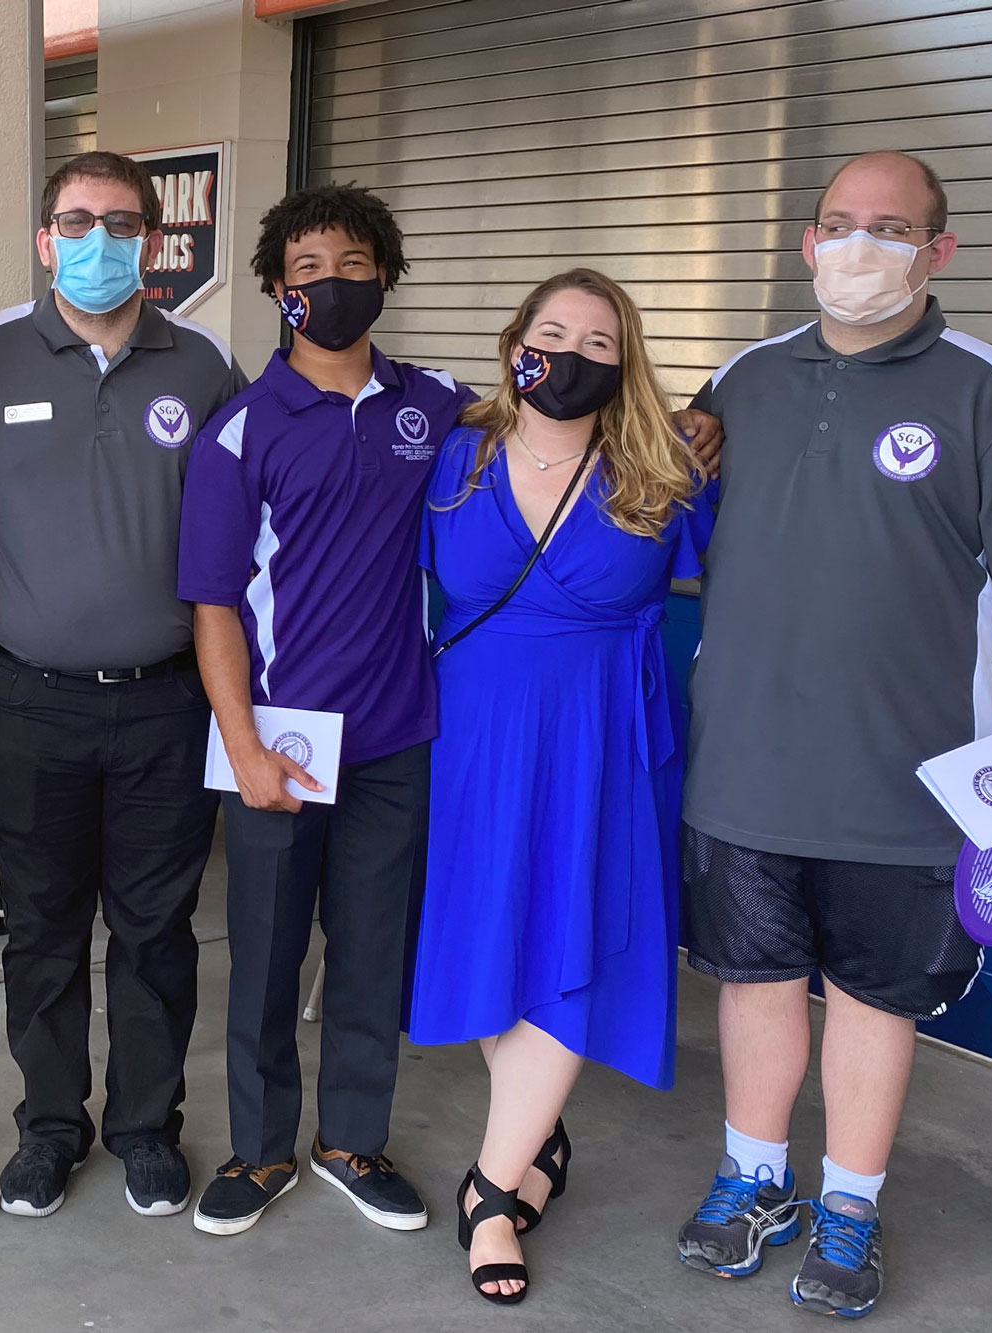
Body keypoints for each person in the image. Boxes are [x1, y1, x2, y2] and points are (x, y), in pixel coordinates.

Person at [674, 151, 992, 1319]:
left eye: (890, 227)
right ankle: (751, 1179)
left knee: (876, 999)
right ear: (805, 240)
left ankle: (850, 1203)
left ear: (939, 251)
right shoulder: (742, 379)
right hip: (745, 767)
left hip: (909, 781)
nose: (858, 248)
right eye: (837, 225)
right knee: (753, 980)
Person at [0, 150, 249, 1220]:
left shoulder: (203, 365)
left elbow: (261, 518)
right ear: (42, 236)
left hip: (166, 699)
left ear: (155, 242)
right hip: (27, 698)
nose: (96, 239)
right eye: (75, 219)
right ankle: (50, 1127)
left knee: (155, 931)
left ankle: (147, 1127)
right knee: (42, 926)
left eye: (119, 222)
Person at [174, 183, 473, 1237]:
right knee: (261, 953)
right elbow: (213, 604)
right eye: (308, 270)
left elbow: (554, 435)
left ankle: (352, 1140)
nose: (332, 284)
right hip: (279, 743)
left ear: (384, 275)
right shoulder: (239, 432)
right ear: (274, 288)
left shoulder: (435, 404)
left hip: (397, 734)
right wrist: (243, 743)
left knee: (370, 946)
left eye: (353, 264)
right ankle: (260, 1152)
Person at [409, 269, 713, 1304]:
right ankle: (536, 1136)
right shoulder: (454, 455)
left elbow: (768, 578)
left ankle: (491, 1188)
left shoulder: (667, 467)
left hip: (600, 738)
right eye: (552, 332)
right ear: (513, 344)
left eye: (597, 338)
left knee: (573, 937)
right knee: (493, 930)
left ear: (623, 362)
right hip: (471, 733)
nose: (572, 352)